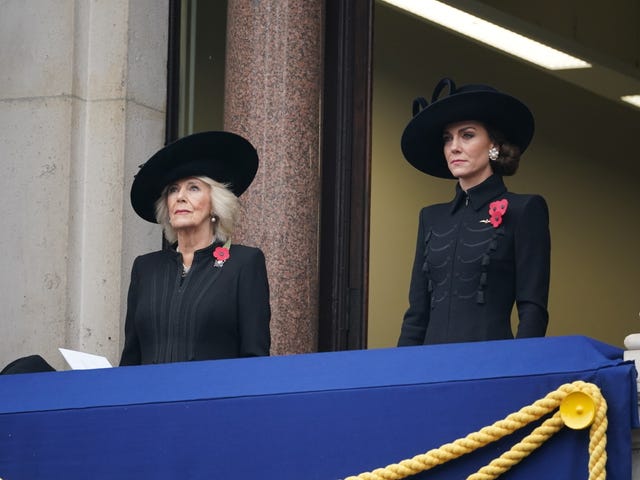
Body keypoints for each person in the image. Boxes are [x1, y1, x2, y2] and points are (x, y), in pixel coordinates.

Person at [397, 77, 550, 346]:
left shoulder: (524, 209)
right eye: (448, 138)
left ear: (494, 146)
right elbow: (416, 314)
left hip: (491, 364)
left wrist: (522, 368)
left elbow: (532, 308)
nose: (454, 146)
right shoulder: (431, 217)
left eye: (467, 135)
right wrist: (401, 375)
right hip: (430, 367)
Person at [120, 131, 271, 365]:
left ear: (214, 204)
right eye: (172, 190)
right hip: (151, 398)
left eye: (193, 188)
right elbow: (131, 358)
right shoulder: (145, 268)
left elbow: (254, 358)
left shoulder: (243, 263)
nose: (180, 197)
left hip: (213, 399)